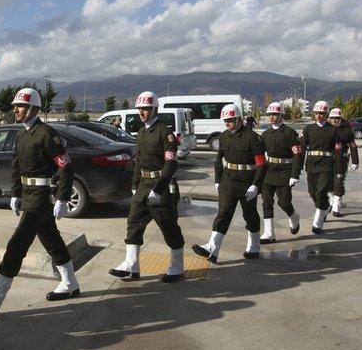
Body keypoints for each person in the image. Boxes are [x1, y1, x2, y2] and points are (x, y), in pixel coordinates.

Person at [0, 87, 78, 314]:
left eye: (21, 106)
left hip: (40, 198)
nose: (16, 110)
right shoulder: (22, 134)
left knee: (17, 244)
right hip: (28, 196)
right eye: (16, 106)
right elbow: (16, 166)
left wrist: (62, 198)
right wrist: (15, 193)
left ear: (33, 108)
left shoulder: (46, 134)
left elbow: (65, 165)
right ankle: (70, 283)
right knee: (52, 241)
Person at [109, 91, 185, 282]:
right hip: (143, 185)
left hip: (161, 187)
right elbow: (138, 161)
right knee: (133, 223)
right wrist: (135, 185)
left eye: (145, 109)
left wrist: (158, 189)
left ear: (154, 109)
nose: (141, 112)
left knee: (169, 227)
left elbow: (171, 163)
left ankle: (177, 267)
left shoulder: (164, 132)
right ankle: (131, 266)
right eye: (140, 109)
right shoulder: (142, 132)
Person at [192, 103, 266, 262]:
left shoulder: (252, 138)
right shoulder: (223, 136)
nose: (227, 123)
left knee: (250, 215)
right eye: (225, 120)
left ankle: (254, 245)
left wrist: (256, 185)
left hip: (247, 183)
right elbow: (219, 160)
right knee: (223, 213)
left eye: (231, 120)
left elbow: (261, 164)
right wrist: (218, 180)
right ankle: (213, 248)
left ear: (239, 118)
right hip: (228, 181)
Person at [258, 102, 303, 242]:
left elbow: (298, 155)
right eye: (270, 114)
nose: (272, 117)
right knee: (266, 203)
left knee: (284, 203)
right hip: (268, 171)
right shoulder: (265, 134)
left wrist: (295, 174)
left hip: (285, 171)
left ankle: (294, 217)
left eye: (275, 114)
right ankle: (269, 233)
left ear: (281, 115)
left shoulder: (290, 133)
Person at [296, 100, 341, 234]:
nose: (319, 116)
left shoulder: (333, 130)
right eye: (316, 113)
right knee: (312, 192)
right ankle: (326, 206)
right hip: (311, 164)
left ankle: (318, 222)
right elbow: (302, 149)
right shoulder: (309, 129)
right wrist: (297, 169)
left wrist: (339, 170)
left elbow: (338, 151)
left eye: (321, 113)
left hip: (326, 164)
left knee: (321, 192)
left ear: (326, 114)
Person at [327, 107, 359, 217]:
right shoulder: (325, 129)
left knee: (339, 182)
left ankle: (336, 207)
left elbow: (353, 145)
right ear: (329, 118)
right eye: (333, 118)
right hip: (327, 160)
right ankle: (331, 201)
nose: (335, 120)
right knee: (328, 184)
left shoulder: (346, 130)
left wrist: (355, 161)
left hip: (342, 160)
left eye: (337, 118)